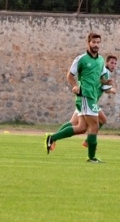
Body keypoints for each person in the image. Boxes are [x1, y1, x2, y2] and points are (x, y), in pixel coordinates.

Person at [44, 33, 106, 162]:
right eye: (94, 42)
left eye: (98, 42)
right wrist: (75, 85)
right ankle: (91, 157)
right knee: (94, 125)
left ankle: (52, 137)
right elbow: (70, 75)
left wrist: (107, 84)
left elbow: (101, 77)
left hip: (92, 97)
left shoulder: (101, 60)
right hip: (84, 96)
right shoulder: (81, 59)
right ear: (88, 43)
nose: (96, 45)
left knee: (82, 128)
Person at [46, 54, 117, 152]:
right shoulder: (105, 72)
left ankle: (53, 138)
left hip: (83, 98)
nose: (113, 65)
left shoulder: (100, 70)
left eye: (115, 63)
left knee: (75, 123)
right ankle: (88, 142)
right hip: (89, 99)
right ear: (107, 63)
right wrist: (112, 90)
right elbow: (106, 89)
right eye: (111, 63)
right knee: (102, 120)